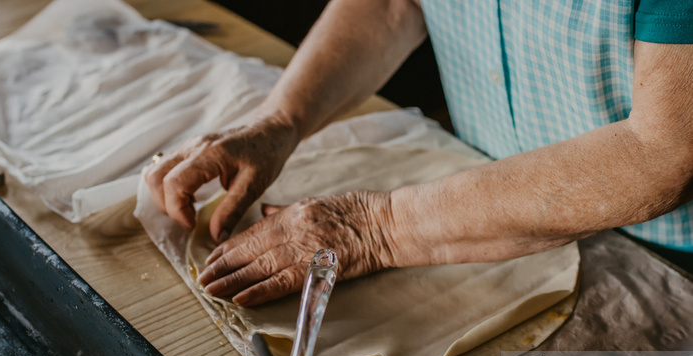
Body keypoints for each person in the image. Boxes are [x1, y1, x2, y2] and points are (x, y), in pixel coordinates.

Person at [146, 0, 693, 306]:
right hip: (474, 205)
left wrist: (376, 228)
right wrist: (281, 118)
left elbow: (660, 150)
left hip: (665, 265)